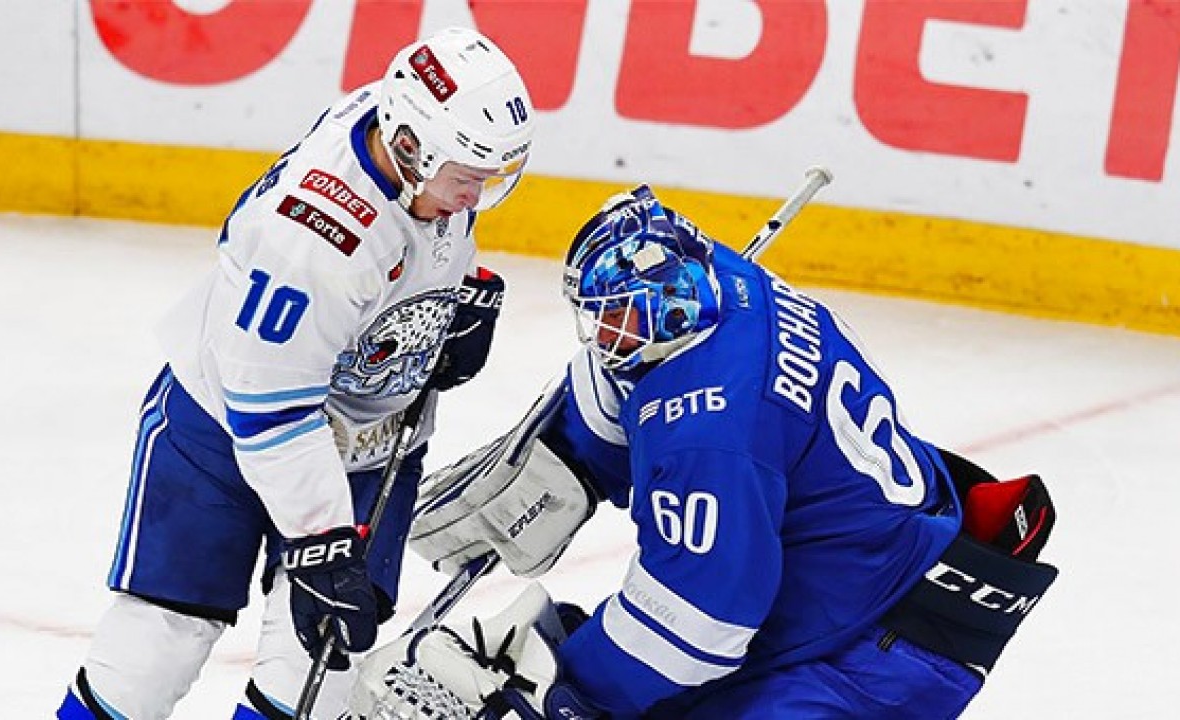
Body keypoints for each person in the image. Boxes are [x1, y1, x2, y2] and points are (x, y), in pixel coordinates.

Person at [349, 185, 1060, 719]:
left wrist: (569, 695)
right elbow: (619, 375)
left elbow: (700, 624)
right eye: (600, 319)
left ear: (674, 305)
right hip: (878, 569)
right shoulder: (721, 276)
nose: (608, 337)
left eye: (625, 320)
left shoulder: (712, 430)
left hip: (875, 652)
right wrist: (571, 458)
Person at [57, 26, 535, 720]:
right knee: (157, 644)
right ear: (407, 149)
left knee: (321, 667)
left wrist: (445, 306)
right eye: (467, 178)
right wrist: (322, 543)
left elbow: (419, 244)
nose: (474, 197)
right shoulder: (314, 244)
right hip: (222, 426)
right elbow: (269, 409)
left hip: (366, 436)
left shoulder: (408, 131)